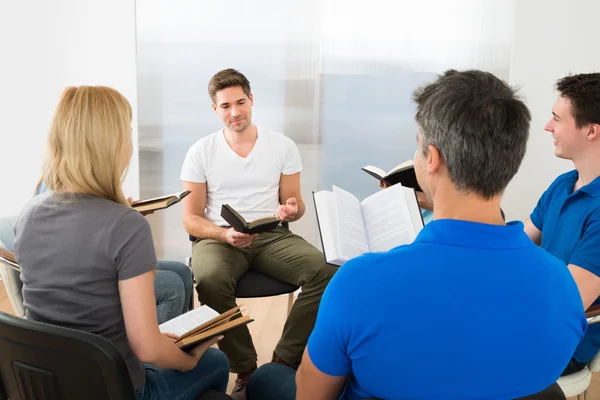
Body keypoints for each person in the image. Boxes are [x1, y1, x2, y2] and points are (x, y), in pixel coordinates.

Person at [294, 70, 587, 399]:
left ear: (431, 158)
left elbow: (312, 393)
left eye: (418, 148)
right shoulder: (562, 286)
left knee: (270, 379)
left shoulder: (359, 282)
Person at [14, 86, 229, 399]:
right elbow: (147, 348)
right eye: (127, 131)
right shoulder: (127, 226)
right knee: (216, 361)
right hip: (118, 389)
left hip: (50, 384)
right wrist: (187, 360)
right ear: (112, 143)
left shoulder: (29, 213)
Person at [181, 68, 337, 398]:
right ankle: (247, 368)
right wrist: (223, 236)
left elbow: (293, 204)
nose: (235, 112)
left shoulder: (282, 146)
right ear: (215, 109)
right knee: (209, 279)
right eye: (225, 106)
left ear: (251, 100)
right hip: (219, 238)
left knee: (327, 270)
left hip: (270, 235)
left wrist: (292, 209)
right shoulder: (200, 152)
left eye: (240, 102)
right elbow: (191, 219)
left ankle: (283, 360)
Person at [33, 178, 193, 324]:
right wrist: (122, 220)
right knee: (171, 284)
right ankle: (157, 349)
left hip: (96, 261)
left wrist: (121, 212)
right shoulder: (61, 188)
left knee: (182, 271)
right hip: (82, 275)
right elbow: (76, 241)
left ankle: (181, 338)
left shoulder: (85, 181)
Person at [524, 72, 600, 375]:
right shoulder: (563, 185)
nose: (547, 126)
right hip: (535, 321)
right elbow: (519, 242)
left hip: (561, 344)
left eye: (557, 118)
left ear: (591, 131)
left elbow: (568, 301)